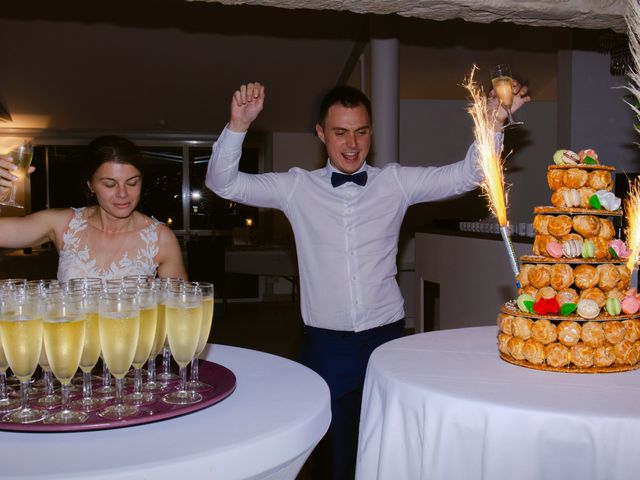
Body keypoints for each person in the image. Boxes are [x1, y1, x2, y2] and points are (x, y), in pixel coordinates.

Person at [206, 81, 530, 479]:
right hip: (325, 344)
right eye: (340, 132)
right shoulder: (295, 187)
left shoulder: (394, 182)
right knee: (332, 452)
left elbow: (469, 175)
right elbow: (223, 183)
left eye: (361, 131)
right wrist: (238, 125)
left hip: (386, 336)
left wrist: (495, 122)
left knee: (389, 441)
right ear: (321, 134)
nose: (352, 143)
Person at [0, 135, 187, 282]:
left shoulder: (160, 237)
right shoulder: (62, 224)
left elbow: (181, 312)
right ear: (90, 185)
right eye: (109, 184)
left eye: (132, 183)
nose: (123, 194)